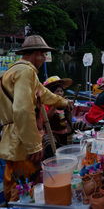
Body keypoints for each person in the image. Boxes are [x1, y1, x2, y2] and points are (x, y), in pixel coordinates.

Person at [0, 35, 71, 202]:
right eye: (44, 54)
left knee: (15, 183)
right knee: (22, 191)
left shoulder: (14, 71)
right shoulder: (26, 72)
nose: (44, 58)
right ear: (37, 54)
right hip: (21, 140)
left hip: (13, 138)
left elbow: (45, 94)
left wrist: (64, 102)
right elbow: (23, 110)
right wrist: (33, 146)